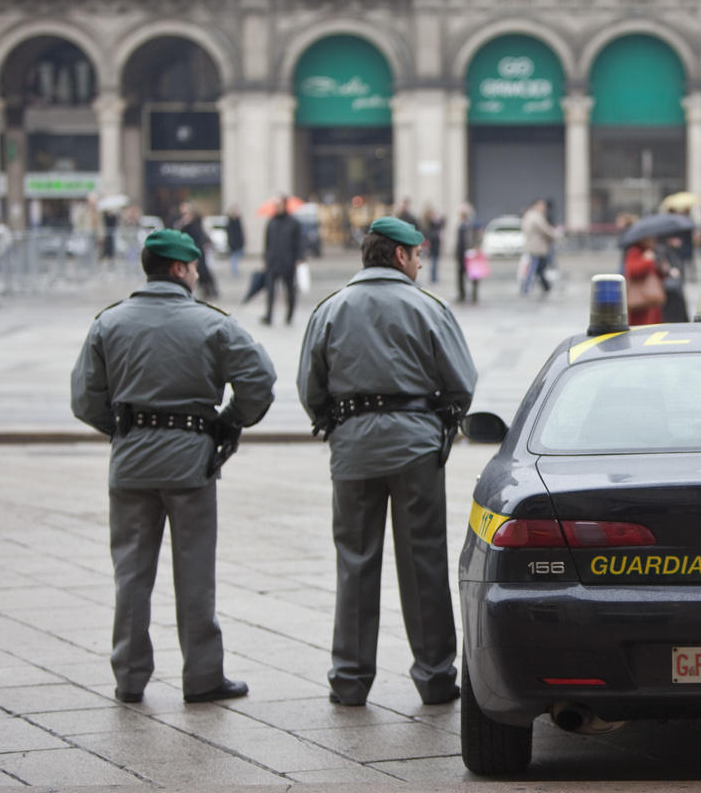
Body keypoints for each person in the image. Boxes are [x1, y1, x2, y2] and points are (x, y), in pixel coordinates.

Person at [70, 228, 276, 705]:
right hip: (191, 463)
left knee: (131, 575)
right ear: (181, 269)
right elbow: (259, 381)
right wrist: (228, 424)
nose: (198, 273)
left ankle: (129, 678)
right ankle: (203, 677)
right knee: (195, 574)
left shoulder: (108, 323)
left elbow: (85, 399)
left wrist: (128, 431)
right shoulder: (213, 324)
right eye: (195, 266)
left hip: (131, 465)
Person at [297, 216, 477, 707]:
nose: (420, 262)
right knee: (423, 562)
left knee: (355, 563)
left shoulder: (331, 309)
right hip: (416, 448)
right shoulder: (428, 308)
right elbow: (462, 382)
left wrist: (338, 424)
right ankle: (436, 677)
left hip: (353, 450)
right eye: (418, 254)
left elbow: (309, 388)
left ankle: (351, 680)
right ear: (399, 255)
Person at [262, 195, 306, 325]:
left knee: (290, 290)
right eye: (275, 205)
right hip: (273, 262)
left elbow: (300, 242)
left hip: (288, 262)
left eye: (279, 205)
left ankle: (289, 315)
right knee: (270, 290)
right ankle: (269, 316)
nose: (277, 207)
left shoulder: (294, 223)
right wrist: (266, 258)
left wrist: (299, 258)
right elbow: (267, 242)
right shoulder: (271, 222)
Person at [176, 202, 218, 300]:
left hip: (198, 251)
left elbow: (201, 235)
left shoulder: (197, 223)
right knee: (193, 271)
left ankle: (209, 290)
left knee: (203, 271)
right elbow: (179, 234)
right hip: (189, 251)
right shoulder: (183, 223)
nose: (185, 215)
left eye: (186, 213)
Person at [624, 235, 668, 325]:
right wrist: (647, 260)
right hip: (640, 298)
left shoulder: (653, 252)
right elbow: (632, 271)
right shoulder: (635, 252)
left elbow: (657, 276)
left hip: (651, 298)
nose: (653, 241)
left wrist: (663, 269)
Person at [520, 197, 558, 296]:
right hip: (536, 247)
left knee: (540, 269)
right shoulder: (536, 216)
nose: (544, 207)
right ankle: (526, 289)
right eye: (542, 205)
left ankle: (546, 287)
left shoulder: (530, 215)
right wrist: (556, 234)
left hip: (535, 246)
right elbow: (545, 230)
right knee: (533, 269)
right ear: (536, 205)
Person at [455, 202, 485, 303]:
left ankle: (474, 295)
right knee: (460, 274)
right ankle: (462, 294)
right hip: (461, 253)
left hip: (471, 253)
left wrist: (476, 248)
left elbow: (480, 237)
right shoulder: (460, 224)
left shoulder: (474, 224)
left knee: (474, 275)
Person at [420, 204, 444, 283]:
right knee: (433, 261)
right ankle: (433, 277)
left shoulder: (437, 223)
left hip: (436, 245)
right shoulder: (430, 223)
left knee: (435, 261)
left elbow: (443, 222)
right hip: (433, 245)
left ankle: (434, 277)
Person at [226, 204, 245, 278]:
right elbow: (229, 233)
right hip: (233, 243)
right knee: (234, 257)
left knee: (238, 255)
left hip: (238, 242)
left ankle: (235, 269)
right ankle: (234, 270)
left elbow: (241, 232)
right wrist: (231, 242)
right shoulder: (230, 221)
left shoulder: (238, 220)